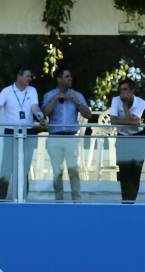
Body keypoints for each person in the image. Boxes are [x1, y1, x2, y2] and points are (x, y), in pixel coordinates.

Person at [0, 65, 44, 199]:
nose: (29, 79)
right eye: (27, 76)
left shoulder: (32, 90)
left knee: (24, 167)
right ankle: (0, 199)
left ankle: (22, 198)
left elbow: (35, 107)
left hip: (28, 132)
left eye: (30, 76)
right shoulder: (7, 91)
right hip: (11, 132)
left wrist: (41, 117)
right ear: (19, 76)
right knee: (6, 166)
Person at [42, 68, 92, 201]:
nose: (70, 79)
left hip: (71, 138)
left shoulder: (77, 95)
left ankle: (77, 200)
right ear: (59, 79)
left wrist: (76, 101)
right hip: (55, 137)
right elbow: (44, 114)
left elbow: (88, 114)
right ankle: (59, 200)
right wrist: (55, 99)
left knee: (73, 171)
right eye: (67, 76)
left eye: (71, 76)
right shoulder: (49, 95)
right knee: (57, 172)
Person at [109, 78, 145, 202]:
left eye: (125, 90)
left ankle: (132, 202)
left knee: (136, 172)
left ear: (132, 91)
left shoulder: (141, 102)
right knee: (124, 172)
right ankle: (125, 201)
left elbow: (135, 125)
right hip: (122, 137)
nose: (122, 93)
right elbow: (113, 121)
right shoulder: (115, 100)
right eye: (121, 90)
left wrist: (125, 107)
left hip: (137, 138)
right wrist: (131, 121)